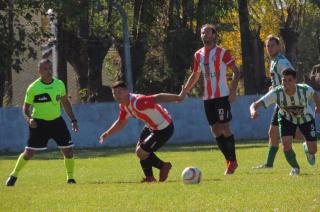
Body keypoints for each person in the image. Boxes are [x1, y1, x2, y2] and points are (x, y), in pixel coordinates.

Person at [5, 59, 79, 186]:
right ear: (39, 71)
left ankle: (70, 178)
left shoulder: (59, 84)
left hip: (57, 122)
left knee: (68, 151)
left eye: (50, 68)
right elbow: (26, 108)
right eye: (45, 69)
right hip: (39, 124)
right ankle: (13, 175)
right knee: (29, 153)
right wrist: (29, 120)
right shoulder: (33, 87)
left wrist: (73, 120)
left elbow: (65, 103)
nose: (48, 71)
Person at [181, 24, 240, 175]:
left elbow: (237, 71)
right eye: (202, 33)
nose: (204, 35)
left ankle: (232, 160)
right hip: (207, 98)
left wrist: (232, 91)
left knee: (224, 127)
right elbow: (195, 75)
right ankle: (230, 160)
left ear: (214, 35)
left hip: (221, 96)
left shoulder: (222, 52)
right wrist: (185, 91)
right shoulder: (198, 55)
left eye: (207, 32)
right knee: (214, 129)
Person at [99, 81, 185, 182]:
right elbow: (121, 122)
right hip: (151, 126)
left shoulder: (138, 102)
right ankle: (150, 178)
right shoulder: (123, 106)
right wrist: (107, 133)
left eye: (120, 92)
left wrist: (178, 97)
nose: (117, 95)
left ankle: (163, 166)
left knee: (142, 152)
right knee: (139, 152)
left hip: (164, 128)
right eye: (114, 93)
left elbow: (158, 97)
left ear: (127, 92)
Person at [250, 68, 320, 175]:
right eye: (284, 80)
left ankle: (307, 148)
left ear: (295, 81)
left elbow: (315, 95)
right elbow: (254, 104)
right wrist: (253, 111)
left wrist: (318, 106)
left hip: (306, 118)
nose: (286, 83)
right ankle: (295, 168)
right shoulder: (276, 92)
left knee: (313, 150)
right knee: (286, 145)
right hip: (286, 118)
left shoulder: (305, 90)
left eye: (289, 80)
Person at [253, 35, 303, 169]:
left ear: (279, 47)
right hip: (280, 101)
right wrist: (274, 87)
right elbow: (281, 80)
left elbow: (291, 78)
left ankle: (308, 145)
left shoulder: (281, 61)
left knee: (297, 134)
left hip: (286, 102)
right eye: (268, 46)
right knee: (273, 133)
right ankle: (269, 164)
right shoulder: (274, 61)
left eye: (272, 45)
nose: (269, 48)